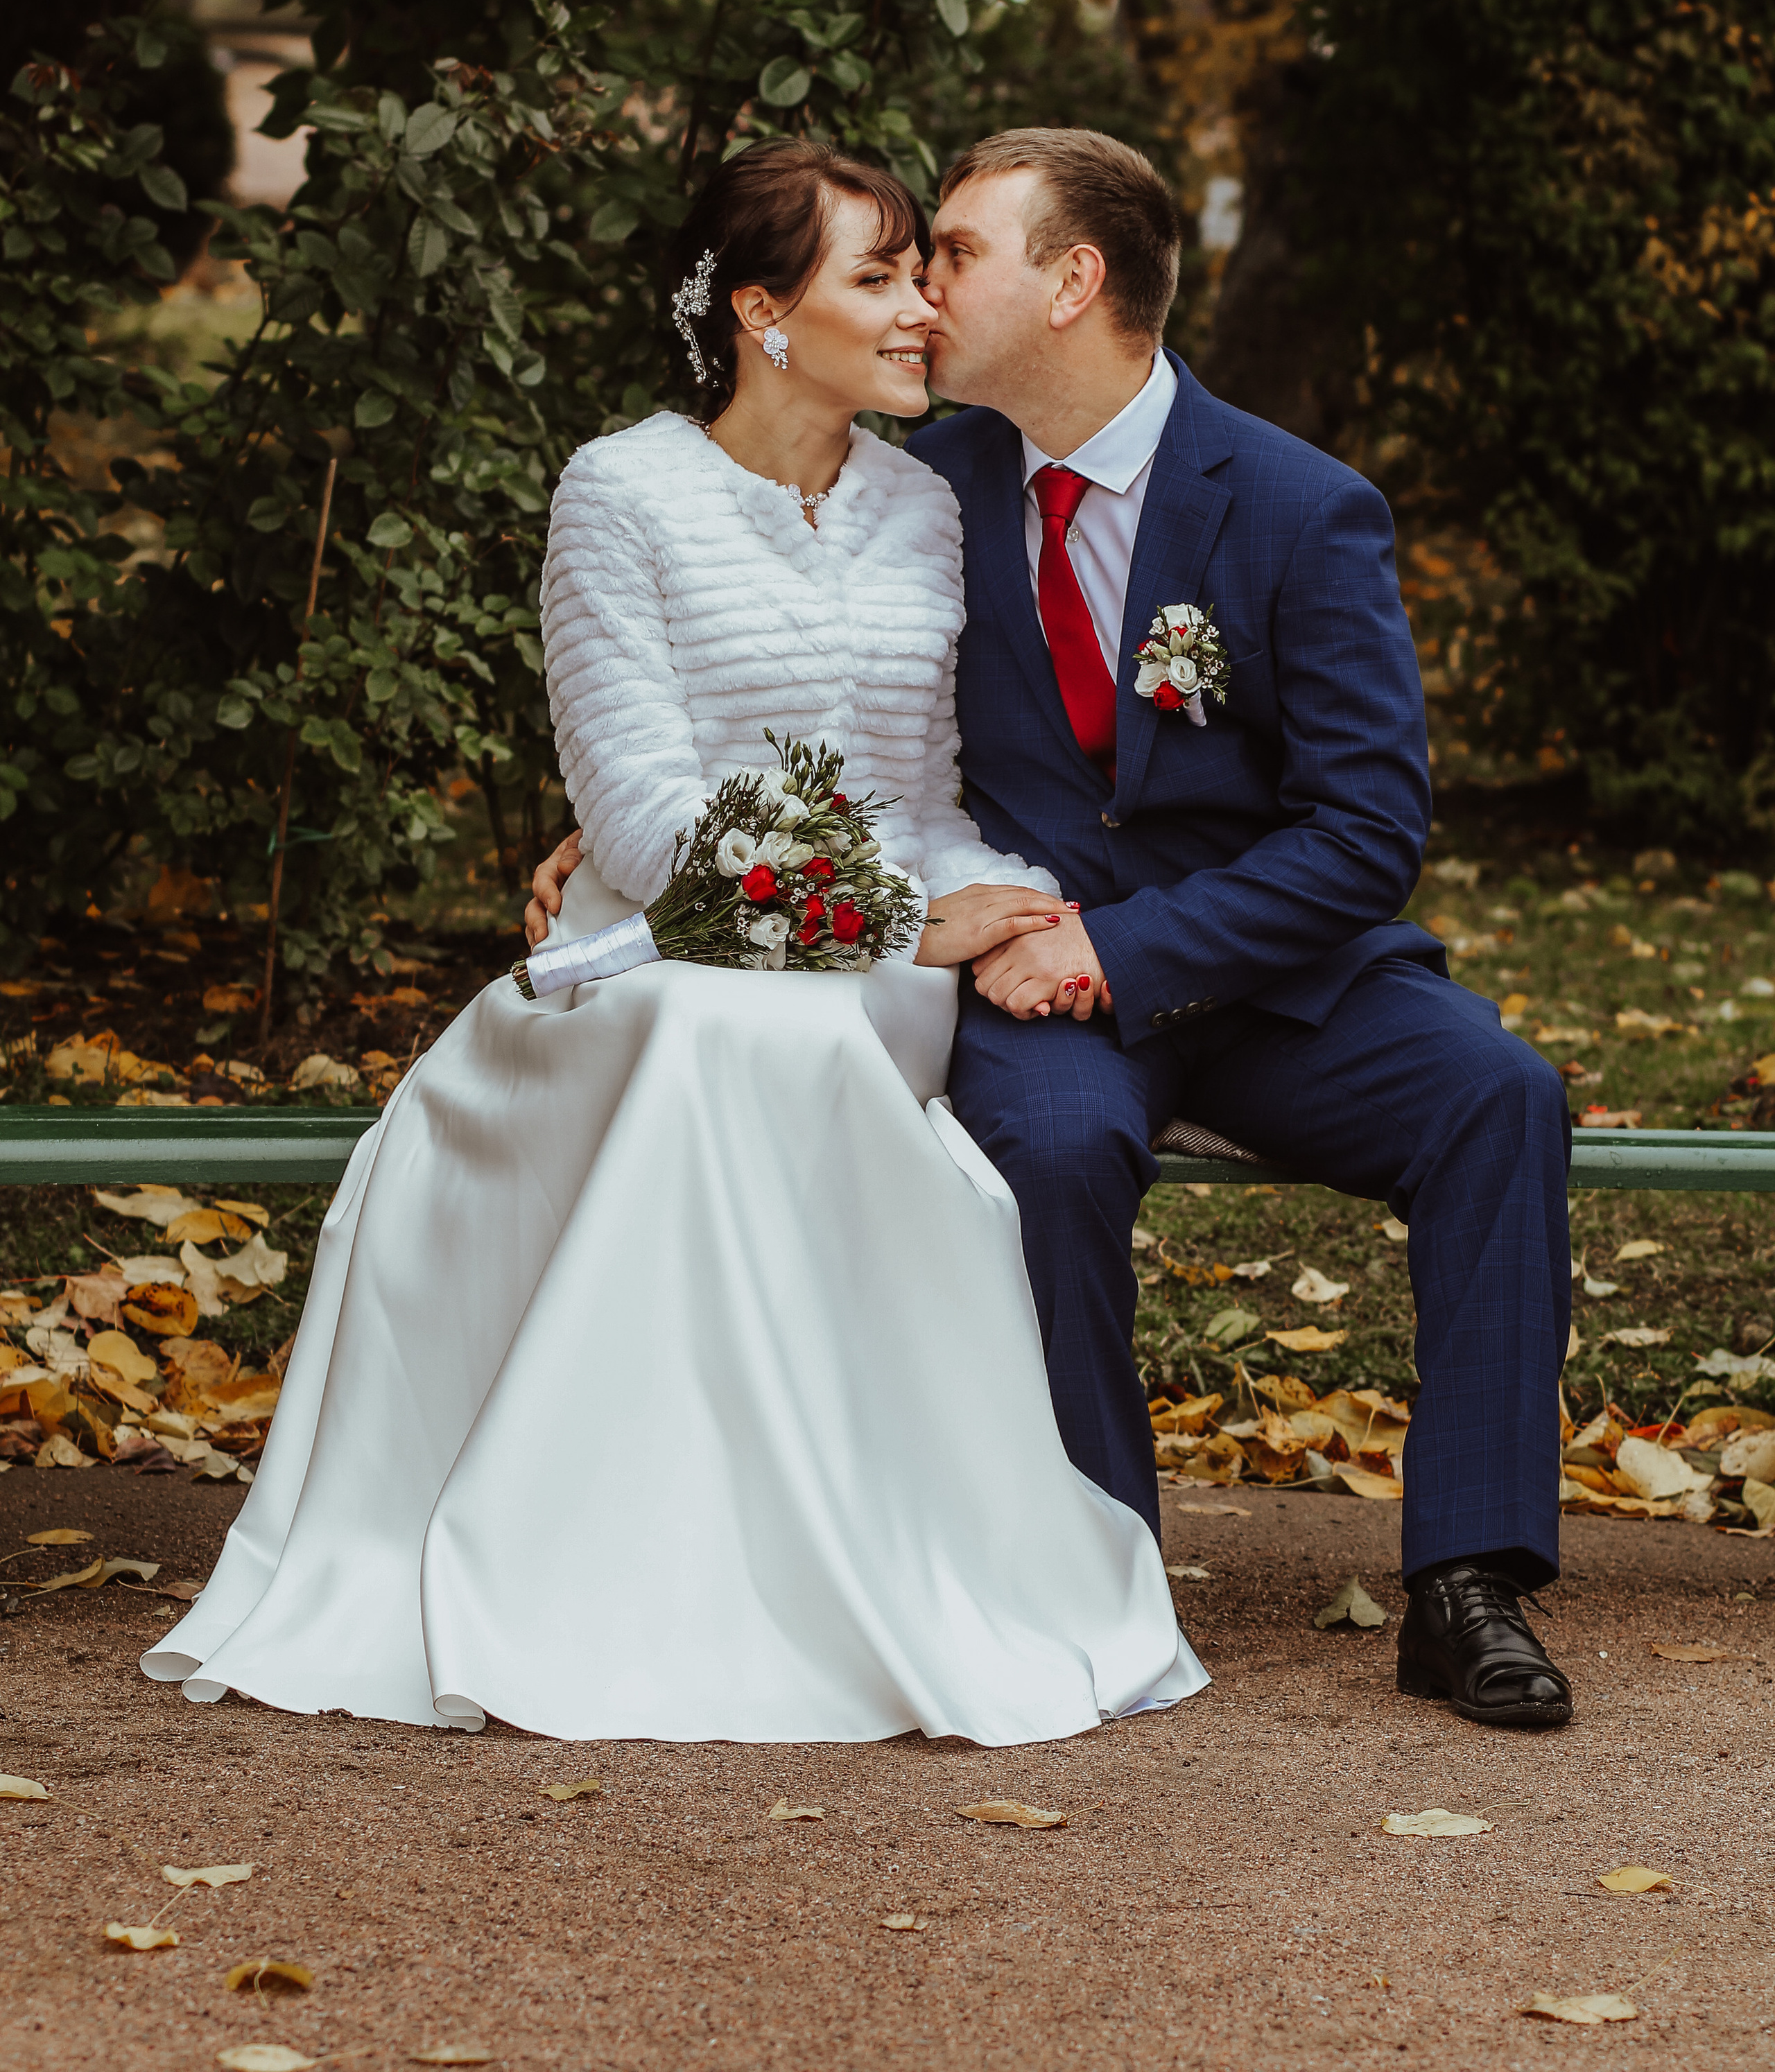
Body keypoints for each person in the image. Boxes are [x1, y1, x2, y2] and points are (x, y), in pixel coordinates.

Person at [141, 138, 1205, 1745]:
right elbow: (638, 833)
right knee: (728, 1033)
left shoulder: (923, 509)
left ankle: (863, 1560)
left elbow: (924, 798)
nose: (921, 307)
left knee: (787, 1035)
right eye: (879, 275)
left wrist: (1001, 903)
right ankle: (635, 1567)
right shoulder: (618, 490)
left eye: (926, 270)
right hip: (640, 966)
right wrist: (907, 919)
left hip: (865, 984)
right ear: (766, 316)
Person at [530, 128, 1576, 1733]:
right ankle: (1097, 1573)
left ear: (1073, 281)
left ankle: (1467, 1583)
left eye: (952, 251)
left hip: (1264, 975)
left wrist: (1125, 948)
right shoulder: (918, 482)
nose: (925, 289)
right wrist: (614, 845)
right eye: (906, 260)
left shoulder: (1303, 510)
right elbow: (815, 697)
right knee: (1058, 1156)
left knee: (1497, 1096)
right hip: (1027, 985)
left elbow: (1368, 834)